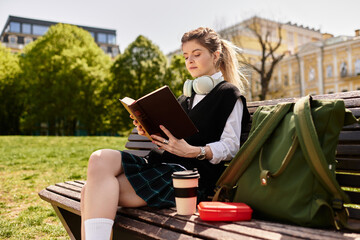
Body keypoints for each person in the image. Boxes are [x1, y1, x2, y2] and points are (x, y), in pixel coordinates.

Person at [80, 27, 250, 240]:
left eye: (197, 54)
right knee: (99, 159)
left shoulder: (229, 95)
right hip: (159, 166)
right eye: (186, 56)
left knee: (90, 191)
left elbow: (232, 147)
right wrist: (149, 131)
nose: (190, 61)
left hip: (188, 177)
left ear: (215, 56)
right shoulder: (184, 98)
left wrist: (194, 151)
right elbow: (168, 140)